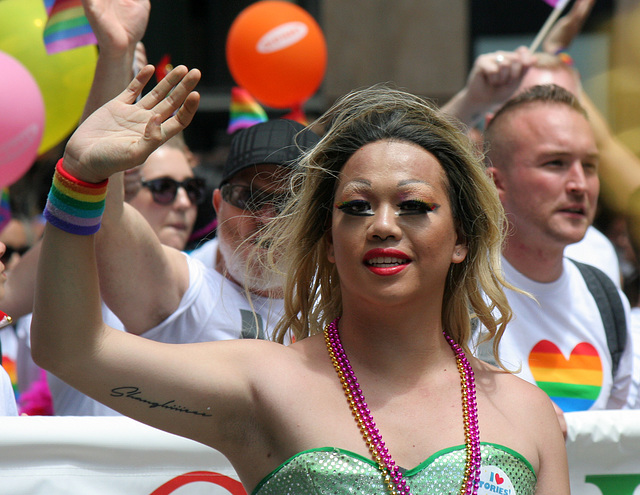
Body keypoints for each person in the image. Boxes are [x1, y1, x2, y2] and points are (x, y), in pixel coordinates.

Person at [31, 67, 568, 493]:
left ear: (461, 240)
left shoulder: (527, 413)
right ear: (329, 244)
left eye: (413, 206)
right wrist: (81, 178)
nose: (382, 225)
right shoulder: (265, 383)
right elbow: (72, 348)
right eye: (356, 207)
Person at [476, 85, 634, 420]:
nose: (579, 184)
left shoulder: (605, 298)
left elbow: (615, 448)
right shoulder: (457, 296)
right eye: (556, 163)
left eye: (590, 166)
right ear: (497, 183)